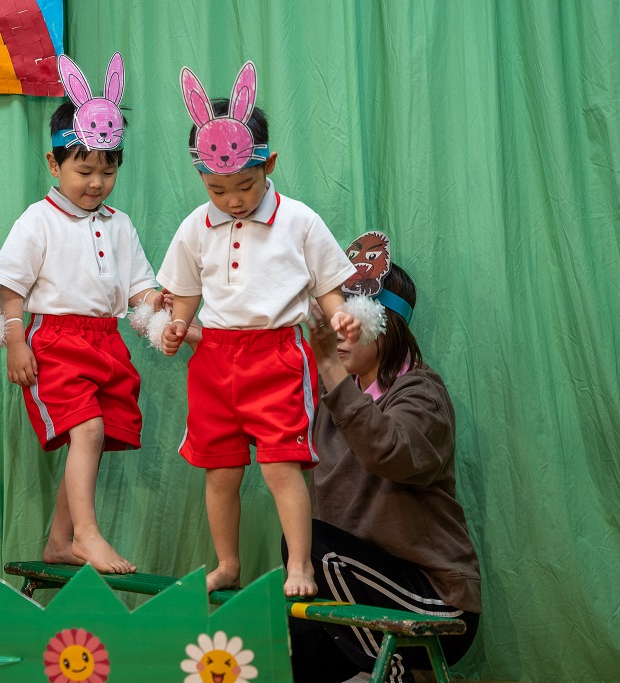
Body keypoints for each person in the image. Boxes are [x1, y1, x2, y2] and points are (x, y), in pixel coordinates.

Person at [159, 61, 363, 597]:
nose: (233, 199)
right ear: (201, 177)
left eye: (245, 185)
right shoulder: (195, 226)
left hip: (277, 357)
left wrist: (340, 314)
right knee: (220, 471)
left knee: (280, 468)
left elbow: (329, 285)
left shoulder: (299, 220)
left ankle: (301, 566)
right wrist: (177, 325)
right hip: (214, 360)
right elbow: (186, 292)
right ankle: (227, 564)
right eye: (218, 188)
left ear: (268, 164)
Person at [0, 53, 160, 575]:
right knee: (87, 431)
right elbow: (11, 286)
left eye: (108, 170)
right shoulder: (38, 220)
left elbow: (141, 290)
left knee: (95, 436)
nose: (96, 182)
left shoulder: (120, 224)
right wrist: (15, 340)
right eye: (84, 170)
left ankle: (60, 541)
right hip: (56, 342)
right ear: (54, 163)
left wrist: (166, 310)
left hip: (106, 341)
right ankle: (86, 535)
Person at [288, 232, 482, 683]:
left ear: (384, 324)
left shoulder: (422, 393)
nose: (337, 333)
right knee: (292, 631)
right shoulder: (330, 400)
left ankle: (397, 675)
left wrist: (330, 370)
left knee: (315, 549)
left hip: (437, 599)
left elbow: (389, 453)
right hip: (356, 589)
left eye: (349, 321)